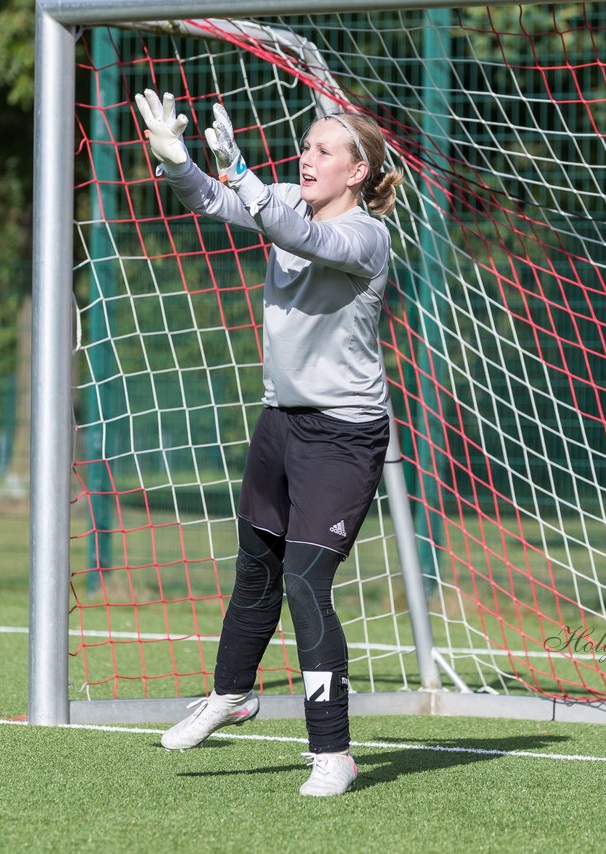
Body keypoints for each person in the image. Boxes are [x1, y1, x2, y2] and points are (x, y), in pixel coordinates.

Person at [134, 89, 404, 796]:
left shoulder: (366, 236)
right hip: (279, 422)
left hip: (343, 436)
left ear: (356, 172)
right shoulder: (283, 198)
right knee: (255, 569)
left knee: (306, 580)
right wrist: (177, 162)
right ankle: (230, 694)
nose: (307, 158)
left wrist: (244, 175)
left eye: (323, 151)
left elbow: (301, 238)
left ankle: (333, 752)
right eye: (306, 146)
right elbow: (220, 204)